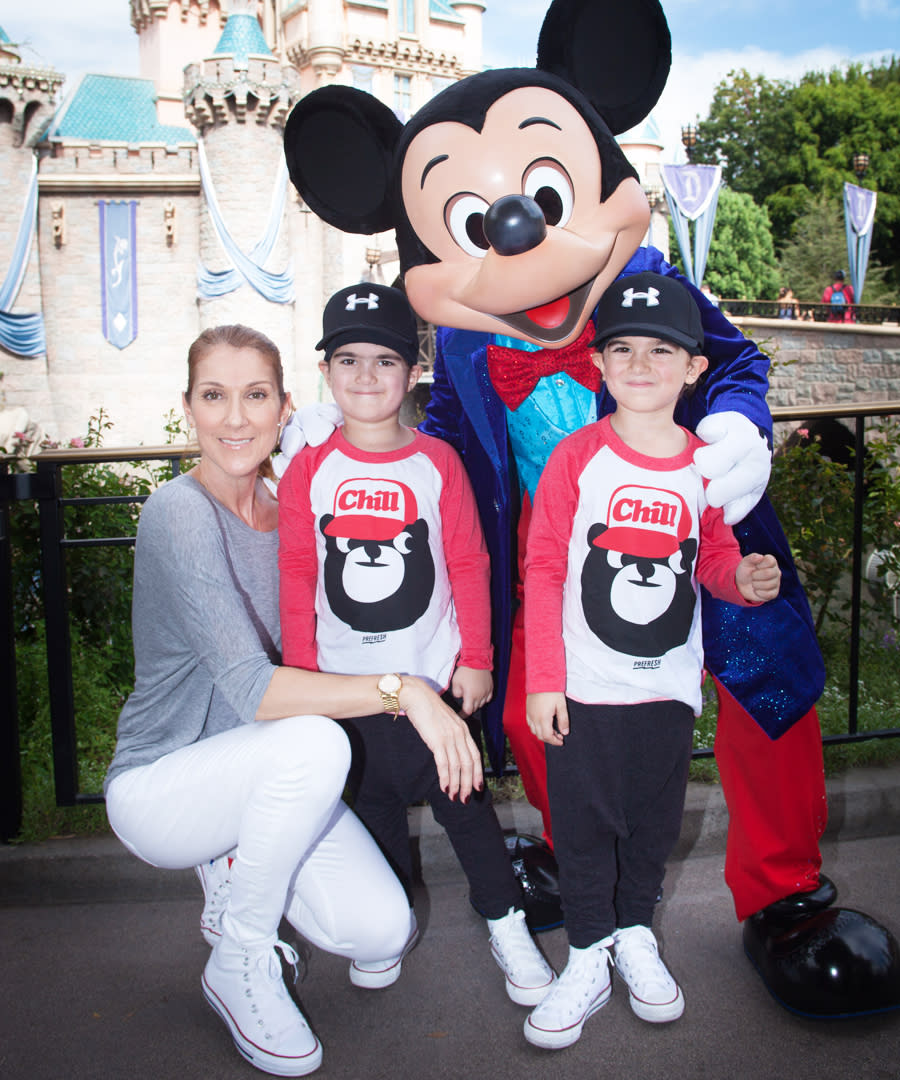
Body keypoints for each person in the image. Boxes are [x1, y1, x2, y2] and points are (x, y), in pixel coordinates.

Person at [104, 323, 485, 1078]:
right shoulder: (178, 511)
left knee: (383, 931)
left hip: (261, 772)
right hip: (164, 784)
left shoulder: (295, 511)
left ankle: (237, 858)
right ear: (188, 407)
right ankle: (240, 958)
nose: (236, 419)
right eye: (214, 396)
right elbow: (252, 689)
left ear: (285, 408)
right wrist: (405, 691)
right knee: (316, 741)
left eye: (255, 397)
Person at [277, 283, 556, 1008]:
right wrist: (303, 682)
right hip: (346, 692)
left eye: (385, 361)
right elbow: (299, 576)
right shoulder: (308, 468)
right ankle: (389, 927)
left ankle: (506, 922)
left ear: (412, 370)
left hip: (434, 687)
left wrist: (479, 660)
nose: (366, 377)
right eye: (348, 360)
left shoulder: (436, 462)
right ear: (326, 371)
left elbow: (470, 563)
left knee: (471, 819)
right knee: (373, 823)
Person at [522, 273, 782, 1048]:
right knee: (583, 824)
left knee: (650, 827)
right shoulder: (575, 459)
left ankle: (635, 933)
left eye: (661, 350)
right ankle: (588, 950)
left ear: (694, 367)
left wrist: (744, 581)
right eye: (622, 349)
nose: (640, 363)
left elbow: (714, 561)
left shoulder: (703, 467)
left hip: (667, 690)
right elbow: (543, 569)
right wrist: (542, 680)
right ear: (598, 364)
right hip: (585, 688)